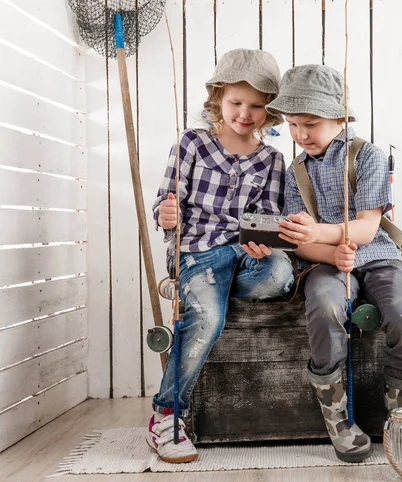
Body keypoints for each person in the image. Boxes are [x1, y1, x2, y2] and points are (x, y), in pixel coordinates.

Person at [266, 65, 402, 463]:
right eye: (293, 124)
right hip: (326, 262)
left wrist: (321, 233)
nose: (301, 135)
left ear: (340, 118)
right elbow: (300, 245)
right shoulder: (295, 173)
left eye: (311, 124)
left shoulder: (367, 155)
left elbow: (368, 228)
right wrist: (328, 252)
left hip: (379, 258)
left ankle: (401, 412)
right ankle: (336, 418)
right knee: (323, 306)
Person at [149, 49, 295, 463]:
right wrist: (165, 213)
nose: (245, 114)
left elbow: (268, 213)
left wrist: (265, 241)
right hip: (198, 251)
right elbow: (165, 202)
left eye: (257, 106)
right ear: (217, 98)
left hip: (245, 254)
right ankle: (167, 415)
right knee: (208, 319)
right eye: (235, 103)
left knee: (279, 274)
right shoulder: (192, 143)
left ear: (271, 111)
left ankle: (211, 293)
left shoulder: (272, 159)